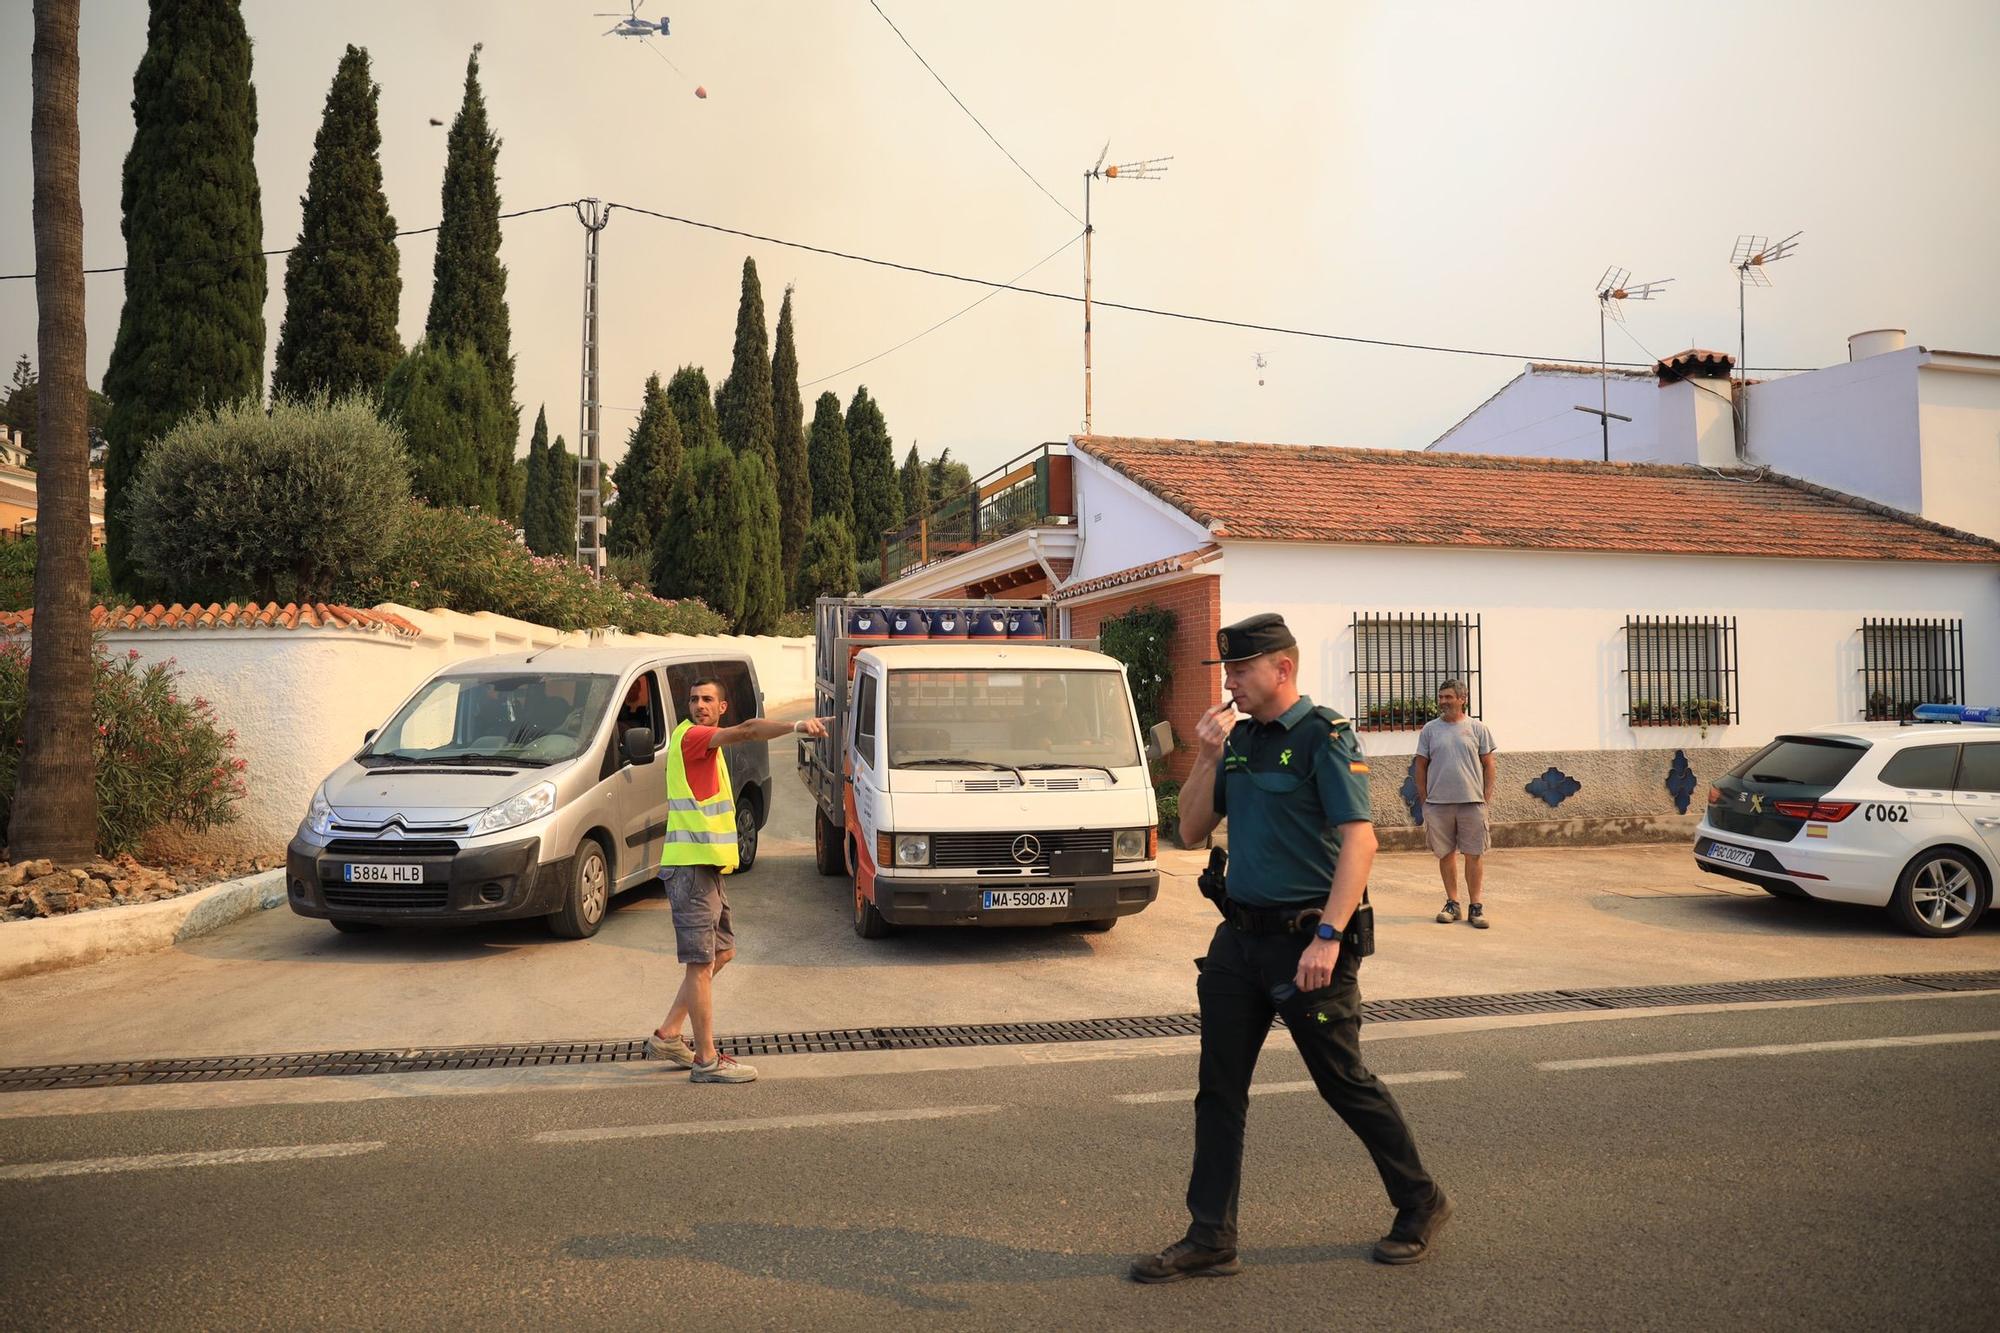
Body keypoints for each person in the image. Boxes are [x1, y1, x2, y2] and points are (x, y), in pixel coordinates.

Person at [1131, 613, 1451, 1283]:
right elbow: (1189, 829)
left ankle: (1420, 1200)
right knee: (1218, 1091)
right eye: (1227, 672)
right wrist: (1209, 757)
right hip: (1237, 944)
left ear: (1283, 669)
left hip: (1309, 943)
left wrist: (1329, 938)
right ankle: (1211, 1236)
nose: (1229, 683)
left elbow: (1360, 842)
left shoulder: (1323, 737)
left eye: (1240, 670)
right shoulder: (1238, 743)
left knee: (1342, 1082)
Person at [645, 678, 830, 1084]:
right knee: (700, 963)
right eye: (694, 699)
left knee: (721, 953)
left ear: (721, 706)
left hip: (705, 869)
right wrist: (798, 726)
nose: (699, 705)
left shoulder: (703, 744)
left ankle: (669, 1034)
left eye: (707, 699)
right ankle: (706, 1061)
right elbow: (747, 731)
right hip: (690, 869)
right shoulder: (693, 738)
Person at [1414, 680, 1497, 929]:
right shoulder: (1430, 730)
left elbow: (1489, 764)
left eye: (1449, 697)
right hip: (1438, 803)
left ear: (1463, 698)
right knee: (1445, 854)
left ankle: (1476, 906)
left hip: (1472, 802)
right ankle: (1452, 903)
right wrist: (1424, 799)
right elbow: (1420, 765)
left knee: (1474, 854)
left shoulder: (1478, 728)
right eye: (1441, 697)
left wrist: (1486, 797)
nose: (1443, 702)